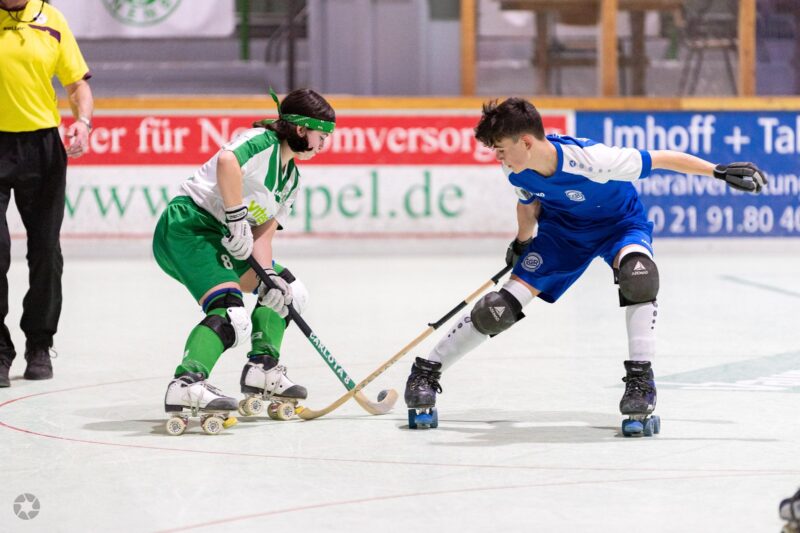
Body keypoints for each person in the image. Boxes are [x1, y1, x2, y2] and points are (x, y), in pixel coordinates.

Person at [404, 97, 767, 434]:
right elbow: (528, 206)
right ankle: (425, 373)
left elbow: (660, 158)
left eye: (501, 149)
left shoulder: (593, 159)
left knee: (639, 276)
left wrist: (718, 172)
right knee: (497, 309)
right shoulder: (515, 170)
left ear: (526, 142)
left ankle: (641, 381)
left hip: (619, 225)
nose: (499, 158)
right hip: (563, 235)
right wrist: (522, 243)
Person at [152, 88, 335, 434]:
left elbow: (263, 235)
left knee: (288, 291)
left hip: (225, 238)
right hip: (188, 226)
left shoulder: (292, 179)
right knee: (231, 311)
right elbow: (227, 162)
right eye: (321, 135)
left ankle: (262, 368)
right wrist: (236, 217)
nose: (324, 143)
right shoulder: (262, 141)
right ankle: (186, 383)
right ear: (300, 129)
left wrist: (268, 276)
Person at [0, 0, 93, 387]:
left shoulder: (52, 20)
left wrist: (83, 122)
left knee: (46, 252)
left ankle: (39, 344)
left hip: (41, 147)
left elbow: (77, 84)